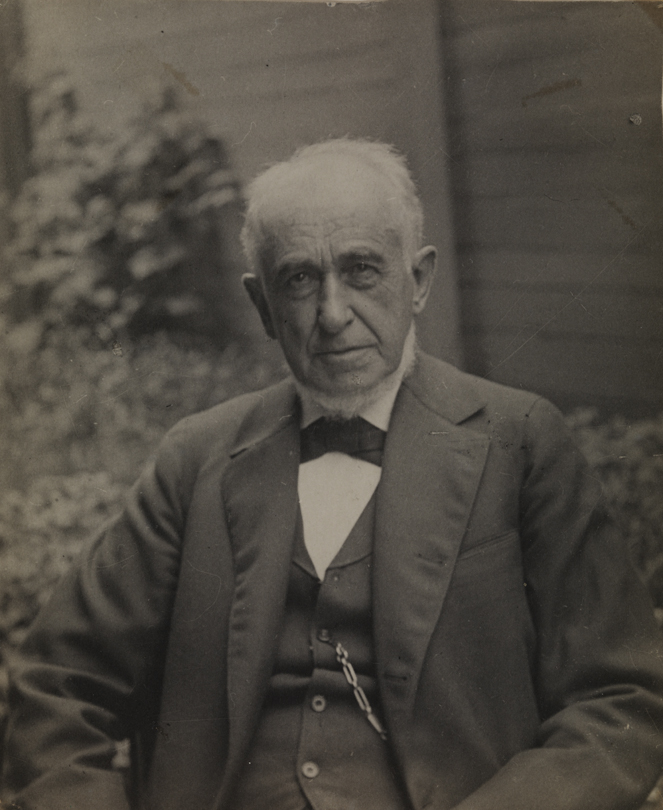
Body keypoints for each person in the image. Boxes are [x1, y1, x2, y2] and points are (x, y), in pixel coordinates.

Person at [3, 138, 663, 810]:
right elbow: (59, 683)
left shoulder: (518, 443)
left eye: (362, 270)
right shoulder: (196, 458)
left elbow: (620, 701)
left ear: (420, 280)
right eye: (298, 279)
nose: (333, 313)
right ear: (261, 306)